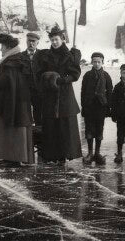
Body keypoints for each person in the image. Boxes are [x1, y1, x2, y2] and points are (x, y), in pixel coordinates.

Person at [0, 33, 35, 167]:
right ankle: (10, 158)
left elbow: (5, 81)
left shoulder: (12, 61)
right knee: (12, 130)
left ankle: (14, 159)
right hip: (15, 102)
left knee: (14, 130)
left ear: (7, 47)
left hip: (14, 103)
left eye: (2, 47)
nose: (0, 50)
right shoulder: (15, 60)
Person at [36, 25, 83, 164]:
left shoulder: (70, 55)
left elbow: (75, 74)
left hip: (65, 94)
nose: (54, 42)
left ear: (62, 39)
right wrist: (48, 77)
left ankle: (64, 155)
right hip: (50, 94)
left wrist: (63, 80)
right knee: (52, 125)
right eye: (52, 40)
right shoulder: (45, 55)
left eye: (56, 39)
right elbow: (40, 73)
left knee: (64, 125)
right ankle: (52, 155)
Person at [80, 51, 113, 165]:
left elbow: (110, 93)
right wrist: (83, 106)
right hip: (89, 106)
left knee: (99, 128)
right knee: (89, 129)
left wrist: (109, 107)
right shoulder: (87, 75)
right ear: (91, 62)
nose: (97, 64)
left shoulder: (106, 76)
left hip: (101, 107)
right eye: (94, 62)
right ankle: (90, 153)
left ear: (102, 62)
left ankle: (97, 153)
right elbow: (83, 92)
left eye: (99, 62)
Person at [21, 32, 43, 125]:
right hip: (25, 91)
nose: (31, 43)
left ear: (37, 43)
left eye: (33, 41)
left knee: (39, 114)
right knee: (24, 114)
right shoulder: (20, 56)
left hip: (39, 91)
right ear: (26, 42)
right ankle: (27, 136)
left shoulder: (42, 55)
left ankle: (38, 135)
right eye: (29, 41)